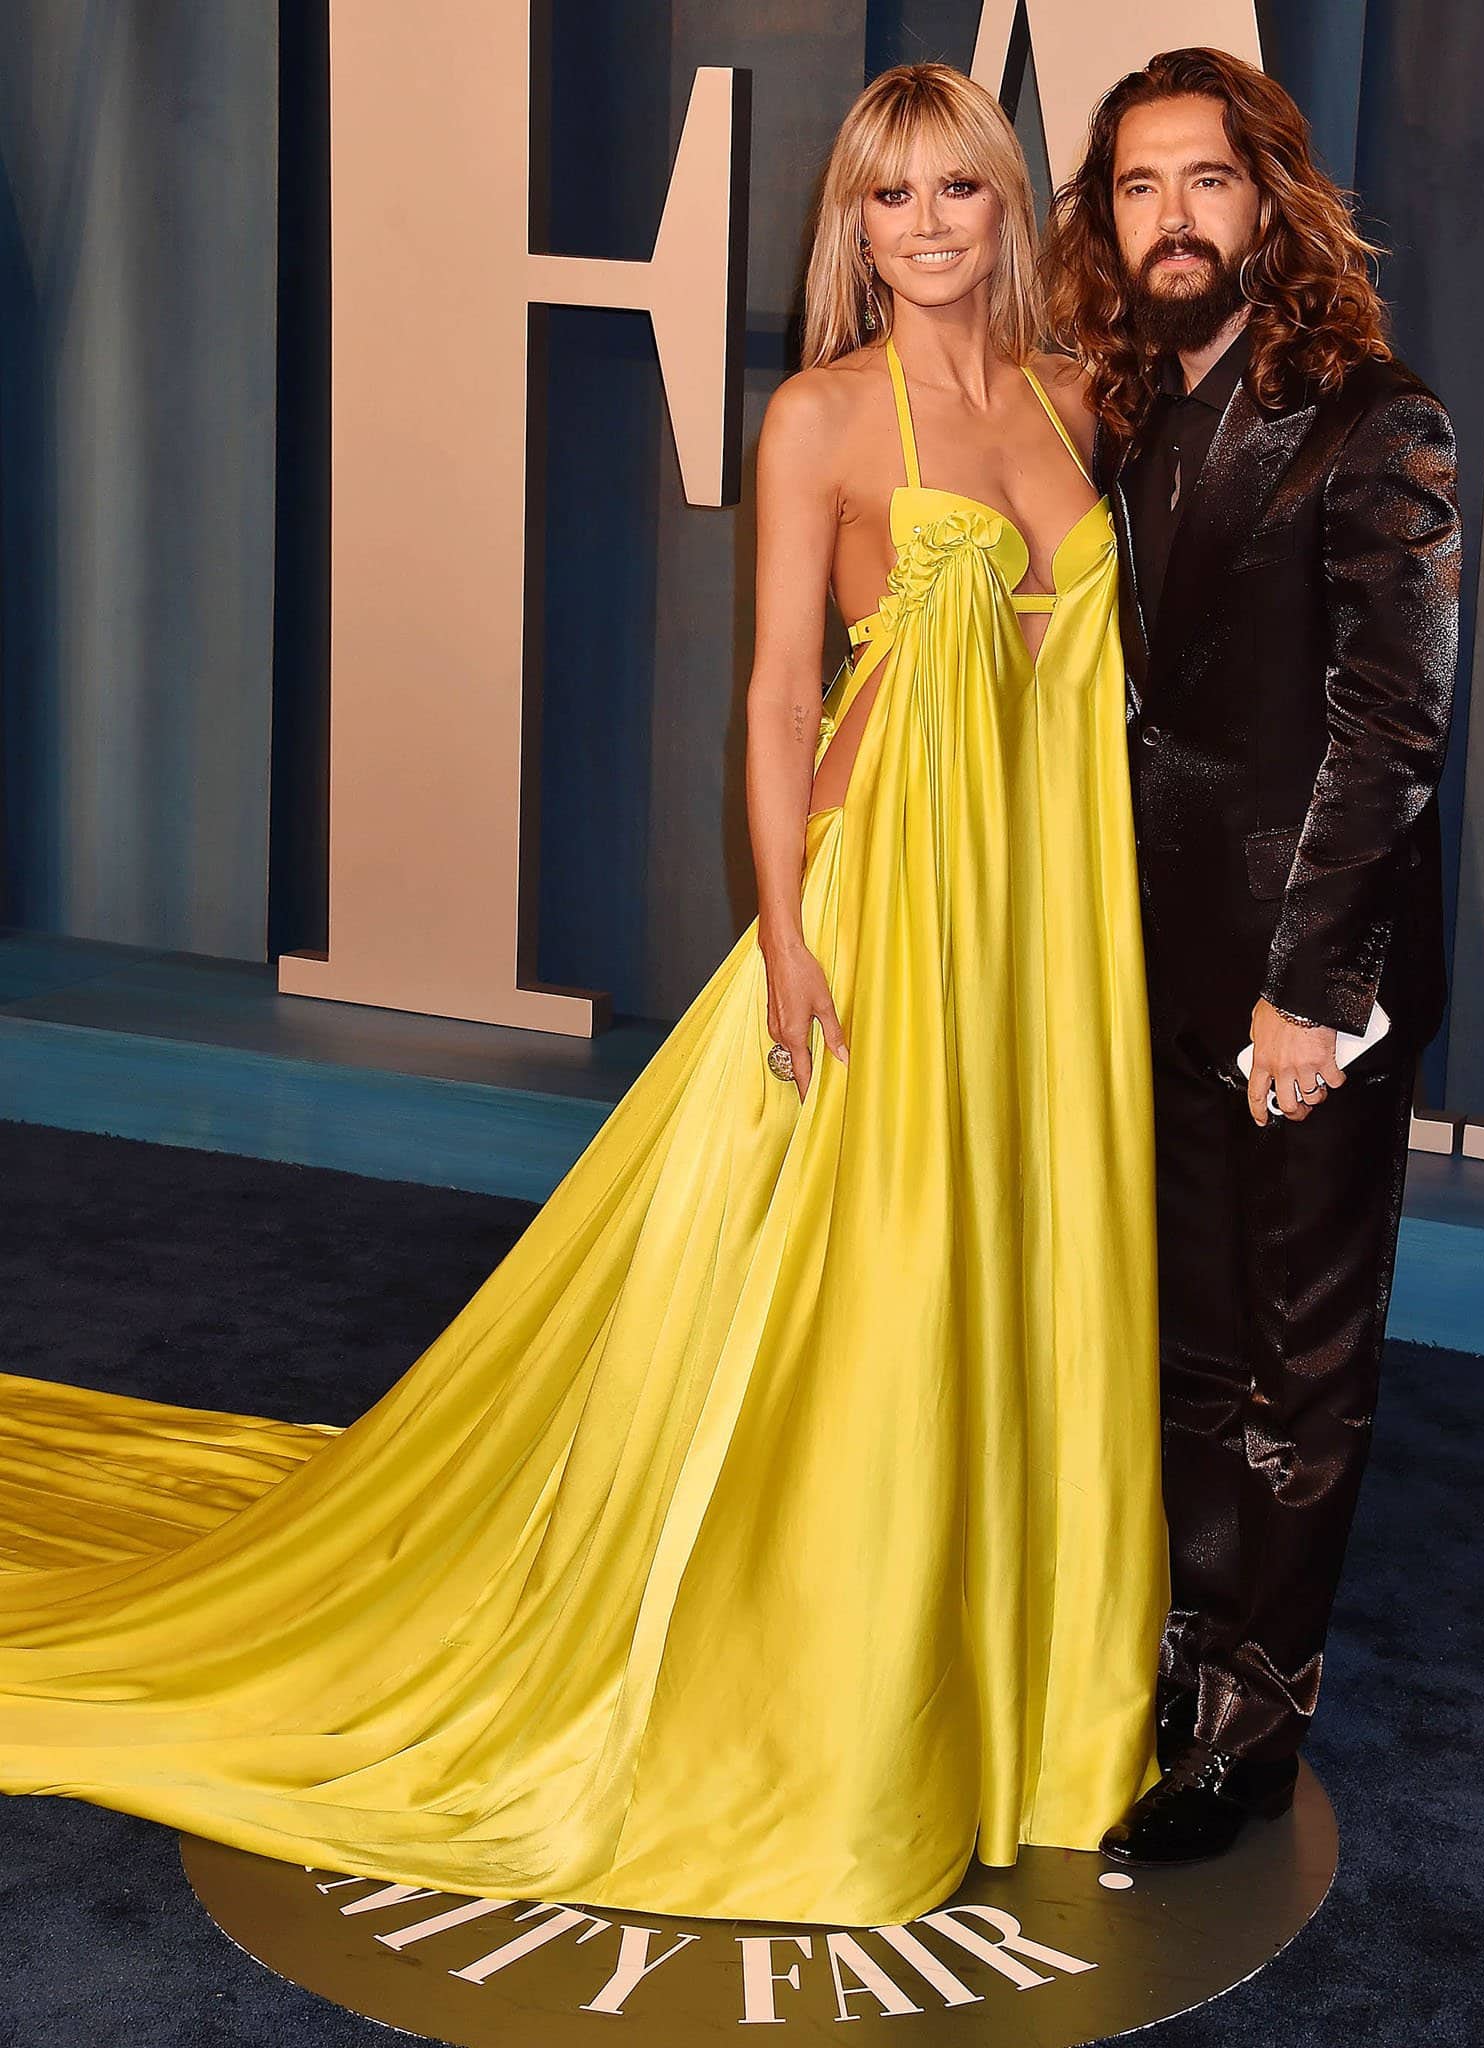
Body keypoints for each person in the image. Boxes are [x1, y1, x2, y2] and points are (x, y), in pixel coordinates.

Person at [0, 65, 1170, 1930]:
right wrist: (787, 931)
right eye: (893, 197)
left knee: (1013, 1278)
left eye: (961, 188)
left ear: (1008, 204)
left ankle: (1021, 1700)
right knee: (868, 1294)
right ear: (851, 227)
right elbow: (782, 694)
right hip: (891, 905)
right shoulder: (818, 420)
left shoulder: (1072, 398)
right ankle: (839, 1715)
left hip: (1040, 930)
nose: (931, 224)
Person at [1043, 47, 1461, 1865]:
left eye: (1207, 182)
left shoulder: (1383, 419)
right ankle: (1187, 1649)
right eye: (1138, 188)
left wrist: (1316, 990)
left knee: (1298, 1349)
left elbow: (1392, 726)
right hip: (1152, 951)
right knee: (1193, 1337)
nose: (1173, 219)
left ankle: (1254, 1724)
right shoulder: (1128, 417)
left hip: (1305, 978)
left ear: (1272, 200)